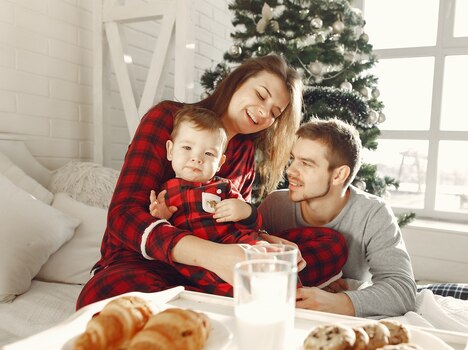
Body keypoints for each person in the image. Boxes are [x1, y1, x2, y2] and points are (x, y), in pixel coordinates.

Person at [76, 54, 345, 309]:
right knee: (104, 294)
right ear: (237, 82)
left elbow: (235, 220)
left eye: (274, 112)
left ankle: (201, 302)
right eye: (261, 95)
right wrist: (214, 257)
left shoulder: (244, 151)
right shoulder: (168, 119)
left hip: (220, 262)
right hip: (149, 260)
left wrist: (267, 241)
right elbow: (123, 216)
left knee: (330, 244)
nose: (264, 114)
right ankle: (224, 301)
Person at [150, 105, 344, 291]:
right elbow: (162, 236)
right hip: (200, 261)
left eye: (209, 153)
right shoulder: (166, 191)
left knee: (269, 260)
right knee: (228, 285)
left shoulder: (223, 186)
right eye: (186, 148)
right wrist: (162, 216)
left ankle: (293, 294)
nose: (197, 158)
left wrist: (244, 210)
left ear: (220, 163)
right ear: (170, 150)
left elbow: (254, 222)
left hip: (240, 243)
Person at [258, 118, 418, 318]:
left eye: (306, 164)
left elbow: (402, 291)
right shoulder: (275, 205)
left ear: (338, 175)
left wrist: (335, 302)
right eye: (293, 159)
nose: (290, 170)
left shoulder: (373, 213)